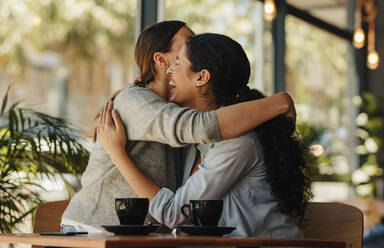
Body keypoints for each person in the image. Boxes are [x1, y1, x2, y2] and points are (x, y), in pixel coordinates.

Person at [61, 21, 296, 233]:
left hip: (139, 234)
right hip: (94, 227)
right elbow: (201, 126)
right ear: (161, 60)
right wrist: (278, 103)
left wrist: (118, 154)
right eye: (185, 45)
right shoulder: (137, 101)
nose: (176, 66)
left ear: (202, 76)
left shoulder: (212, 138)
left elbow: (178, 208)